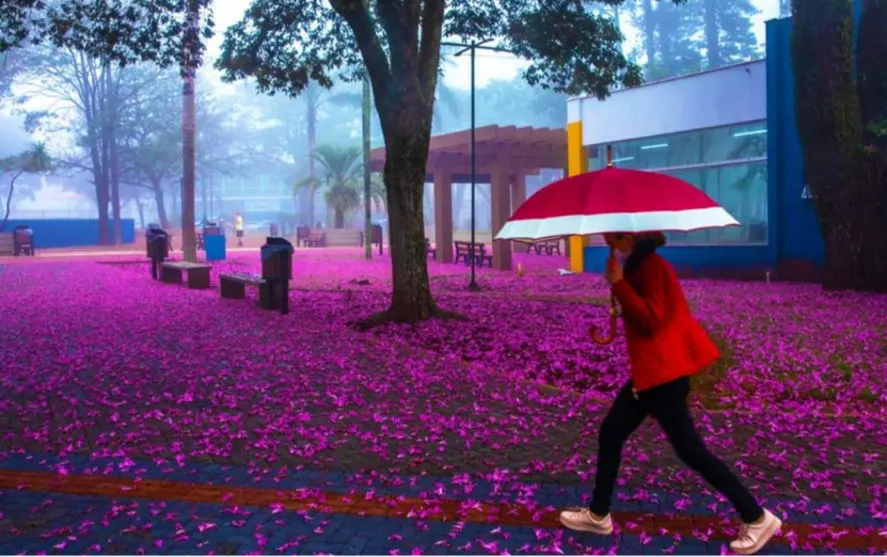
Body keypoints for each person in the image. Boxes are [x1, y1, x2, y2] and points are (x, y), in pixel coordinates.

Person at [559, 231, 782, 556]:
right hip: (650, 374)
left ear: (630, 237)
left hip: (663, 374)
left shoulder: (652, 267)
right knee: (611, 432)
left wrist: (619, 284)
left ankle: (757, 516)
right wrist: (619, 284)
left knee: (691, 451)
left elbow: (651, 320)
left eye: (613, 236)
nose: (607, 239)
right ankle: (598, 514)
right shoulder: (640, 265)